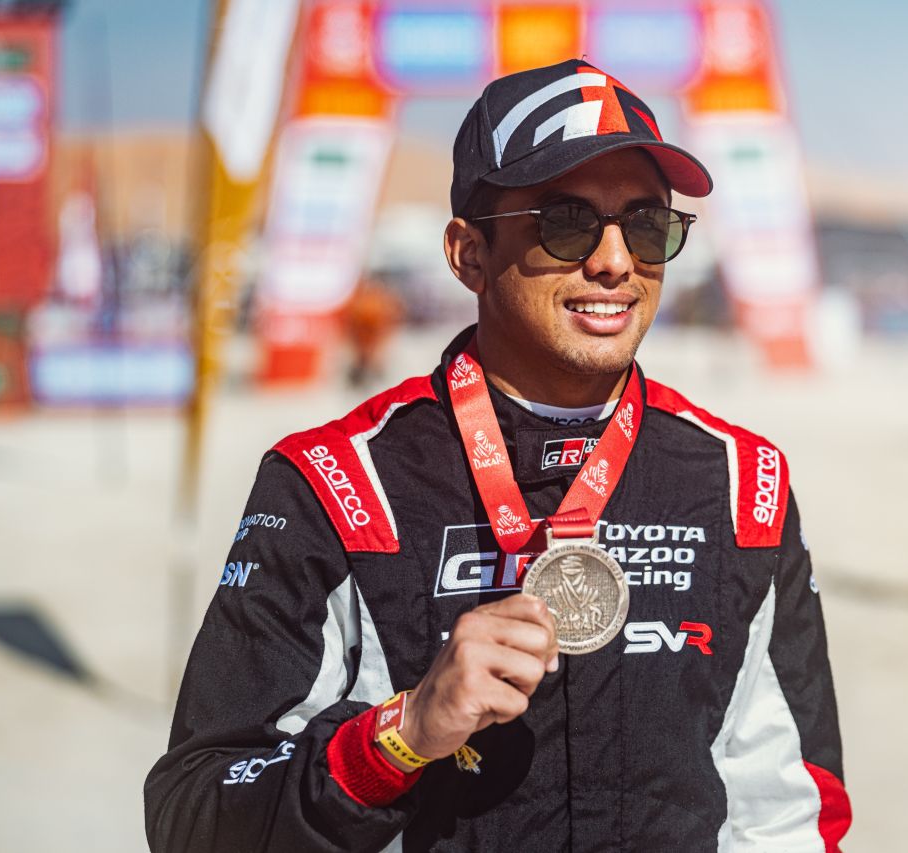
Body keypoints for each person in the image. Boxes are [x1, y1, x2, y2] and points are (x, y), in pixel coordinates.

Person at [145, 59, 850, 852]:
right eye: (567, 222)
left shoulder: (743, 484)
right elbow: (192, 816)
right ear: (468, 254)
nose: (616, 261)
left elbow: (790, 810)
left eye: (647, 224)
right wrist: (400, 735)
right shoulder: (336, 485)